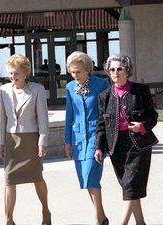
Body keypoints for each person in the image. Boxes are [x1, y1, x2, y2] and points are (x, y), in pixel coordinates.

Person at [95, 55, 158, 225]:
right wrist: (99, 148)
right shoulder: (104, 96)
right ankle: (141, 223)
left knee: (130, 186)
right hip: (116, 145)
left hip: (139, 144)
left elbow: (153, 116)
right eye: (112, 70)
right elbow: (101, 124)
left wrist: (142, 126)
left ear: (127, 71)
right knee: (129, 187)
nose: (115, 72)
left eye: (119, 69)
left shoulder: (141, 91)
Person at [0, 54, 51, 225]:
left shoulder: (37, 90)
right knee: (9, 179)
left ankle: (45, 210)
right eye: (11, 73)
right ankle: (8, 219)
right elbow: (3, 119)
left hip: (30, 139)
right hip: (11, 139)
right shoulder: (4, 90)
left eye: (16, 73)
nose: (13, 77)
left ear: (25, 73)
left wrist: (42, 141)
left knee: (37, 177)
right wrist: (1, 142)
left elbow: (43, 118)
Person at [64, 51, 110, 225]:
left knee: (91, 174)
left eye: (78, 72)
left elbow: (107, 113)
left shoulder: (102, 84)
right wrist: (67, 141)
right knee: (85, 178)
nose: (75, 75)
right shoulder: (70, 87)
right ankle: (102, 215)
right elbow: (70, 115)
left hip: (96, 136)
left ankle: (98, 218)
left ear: (87, 70)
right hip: (77, 139)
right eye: (72, 72)